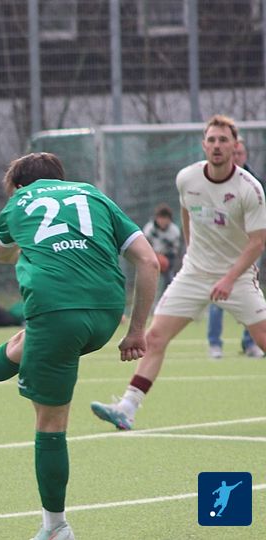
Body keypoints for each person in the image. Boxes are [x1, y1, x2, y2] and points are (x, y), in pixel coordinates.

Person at [0, 152, 158, 540]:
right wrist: (138, 330)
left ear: (20, 186)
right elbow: (149, 261)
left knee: (50, 423)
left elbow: (1, 253)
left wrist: (28, 240)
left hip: (57, 313)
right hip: (108, 315)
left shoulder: (18, 203)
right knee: (23, 344)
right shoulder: (93, 195)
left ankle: (56, 527)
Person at [92, 115, 266, 433]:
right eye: (211, 140)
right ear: (203, 145)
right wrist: (190, 251)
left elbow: (257, 243)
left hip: (237, 278)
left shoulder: (249, 189)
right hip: (194, 274)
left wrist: (228, 279)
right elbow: (187, 211)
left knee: (263, 338)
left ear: (235, 146)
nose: (217, 145)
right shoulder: (187, 178)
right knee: (155, 337)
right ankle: (127, 408)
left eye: (223, 140)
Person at [207, 135, 263, 358]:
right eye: (235, 153)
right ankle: (215, 344)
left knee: (251, 296)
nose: (237, 156)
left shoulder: (254, 184)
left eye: (240, 153)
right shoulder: (212, 180)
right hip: (219, 249)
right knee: (217, 296)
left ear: (244, 155)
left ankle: (250, 344)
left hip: (248, 248)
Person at [141, 203, 181, 296]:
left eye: (165, 218)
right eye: (161, 218)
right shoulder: (149, 229)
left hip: (167, 258)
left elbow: (174, 251)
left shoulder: (174, 231)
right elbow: (144, 246)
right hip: (151, 256)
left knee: (169, 280)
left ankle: (166, 297)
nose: (163, 221)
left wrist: (163, 258)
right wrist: (154, 256)